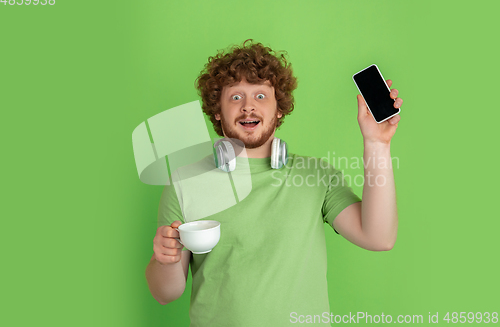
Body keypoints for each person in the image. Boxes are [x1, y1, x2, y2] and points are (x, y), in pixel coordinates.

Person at [145, 39, 402, 326]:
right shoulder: (184, 182)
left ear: (279, 109)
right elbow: (165, 293)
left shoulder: (316, 176)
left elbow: (379, 237)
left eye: (260, 96)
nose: (248, 107)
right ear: (217, 111)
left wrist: (377, 144)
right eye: (235, 97)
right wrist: (164, 260)